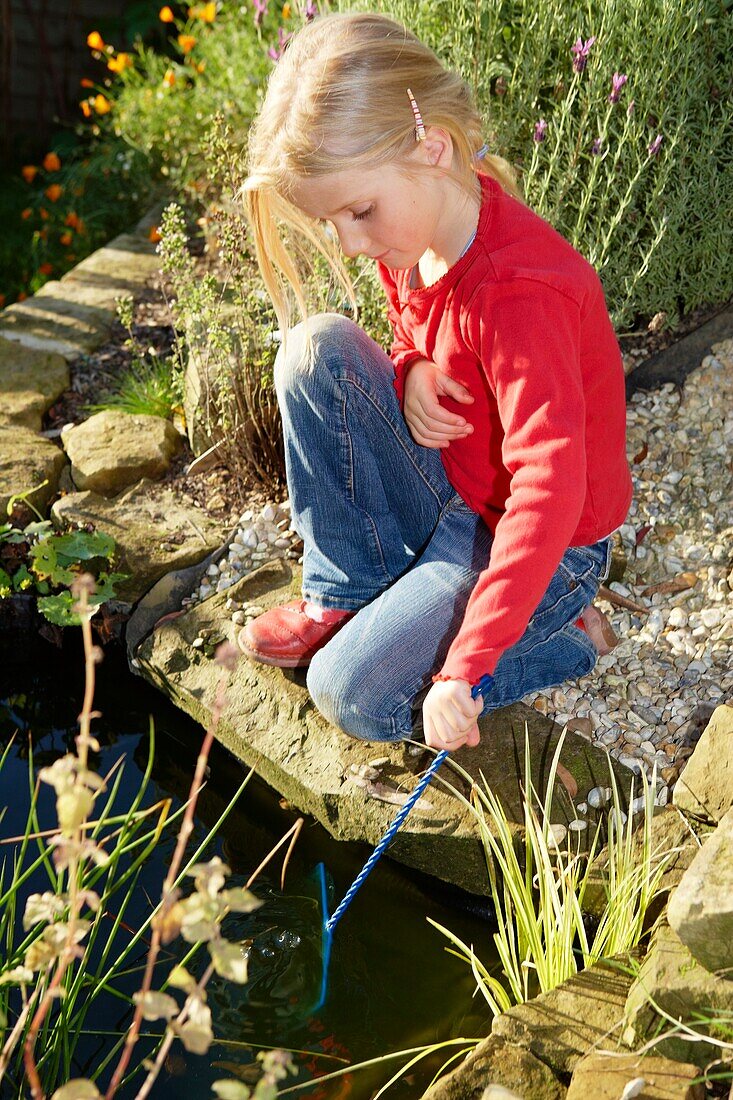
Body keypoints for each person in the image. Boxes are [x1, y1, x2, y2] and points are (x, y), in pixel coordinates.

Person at [238, 11, 632, 754]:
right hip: (457, 492)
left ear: (432, 147)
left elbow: (548, 489)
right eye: (334, 225)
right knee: (313, 350)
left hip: (546, 546)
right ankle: (346, 594)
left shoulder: (521, 294)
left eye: (358, 213)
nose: (353, 245)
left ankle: (562, 641)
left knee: (349, 693)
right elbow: (414, 322)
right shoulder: (416, 227)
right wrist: (410, 364)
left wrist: (464, 667)